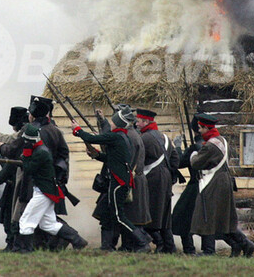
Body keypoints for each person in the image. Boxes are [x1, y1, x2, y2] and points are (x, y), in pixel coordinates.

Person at [72, 107, 151, 253]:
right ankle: (109, 246)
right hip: (120, 181)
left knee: (118, 216)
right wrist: (96, 155)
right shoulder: (122, 136)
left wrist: (77, 130)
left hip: (118, 182)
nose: (111, 123)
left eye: (114, 121)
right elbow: (112, 159)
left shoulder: (117, 136)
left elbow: (91, 138)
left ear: (118, 123)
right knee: (113, 215)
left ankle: (142, 241)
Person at [13, 124, 88, 253]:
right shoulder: (40, 150)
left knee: (26, 220)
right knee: (47, 224)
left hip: (43, 192)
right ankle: (77, 240)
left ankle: (26, 249)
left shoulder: (41, 153)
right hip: (44, 190)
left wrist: (25, 156)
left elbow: (28, 169)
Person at [189, 113, 254, 257]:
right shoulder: (220, 140)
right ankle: (240, 245)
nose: (199, 130)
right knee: (221, 217)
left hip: (215, 182)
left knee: (208, 214)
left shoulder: (210, 146)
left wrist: (193, 153)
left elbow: (196, 163)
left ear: (206, 128)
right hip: (222, 180)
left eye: (200, 128)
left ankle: (209, 250)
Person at [95, 106, 150, 252]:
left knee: (116, 215)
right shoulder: (129, 135)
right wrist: (101, 123)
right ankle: (114, 245)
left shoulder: (127, 137)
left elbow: (115, 157)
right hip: (125, 179)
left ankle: (138, 243)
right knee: (115, 215)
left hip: (123, 180)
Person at [0, 106, 30, 250]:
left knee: (11, 215)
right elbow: (10, 145)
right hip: (22, 181)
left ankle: (13, 243)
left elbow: (10, 158)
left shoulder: (23, 137)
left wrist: (2, 155)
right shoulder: (25, 135)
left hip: (19, 183)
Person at [137, 108, 179, 253]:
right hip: (166, 178)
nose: (136, 124)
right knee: (164, 214)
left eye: (138, 121)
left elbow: (138, 160)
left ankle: (160, 243)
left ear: (146, 121)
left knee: (150, 213)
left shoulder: (144, 138)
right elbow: (175, 160)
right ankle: (170, 246)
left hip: (152, 178)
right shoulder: (165, 138)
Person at [170, 121, 204, 255]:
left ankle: (189, 249)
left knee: (181, 217)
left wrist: (177, 147)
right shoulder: (212, 144)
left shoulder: (195, 148)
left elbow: (178, 162)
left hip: (195, 187)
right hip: (206, 186)